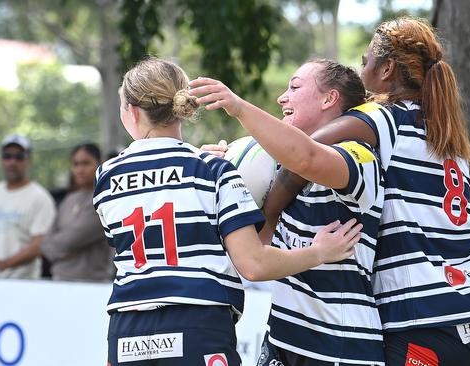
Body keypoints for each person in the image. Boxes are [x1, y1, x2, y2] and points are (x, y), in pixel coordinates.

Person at [191, 16, 470, 366]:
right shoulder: (444, 133)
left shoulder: (382, 119)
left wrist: (255, 188)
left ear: (387, 68)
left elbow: (307, 155)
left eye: (365, 63)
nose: (361, 73)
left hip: (428, 314)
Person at [95, 57, 362, 366]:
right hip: (197, 324)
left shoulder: (106, 177)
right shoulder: (212, 170)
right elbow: (253, 265)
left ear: (132, 110)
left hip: (126, 331)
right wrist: (318, 252)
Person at [202, 59, 385, 365]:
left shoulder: (360, 155)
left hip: (339, 346)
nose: (281, 97)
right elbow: (253, 248)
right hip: (283, 340)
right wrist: (214, 174)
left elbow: (308, 158)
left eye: (295, 87)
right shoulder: (272, 164)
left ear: (330, 99)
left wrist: (239, 107)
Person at [0, 135, 56, 279]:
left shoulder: (40, 198)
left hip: (24, 285)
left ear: (29, 160)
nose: (12, 161)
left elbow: (40, 245)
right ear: (1, 159)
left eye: (19, 156)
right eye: (7, 156)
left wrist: (4, 264)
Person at [41, 143, 113, 282]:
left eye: (86, 163)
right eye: (76, 164)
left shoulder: (104, 200)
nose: (80, 169)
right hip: (58, 280)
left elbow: (71, 240)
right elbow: (45, 243)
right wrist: (58, 250)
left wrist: (58, 248)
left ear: (100, 164)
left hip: (90, 284)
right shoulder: (69, 199)